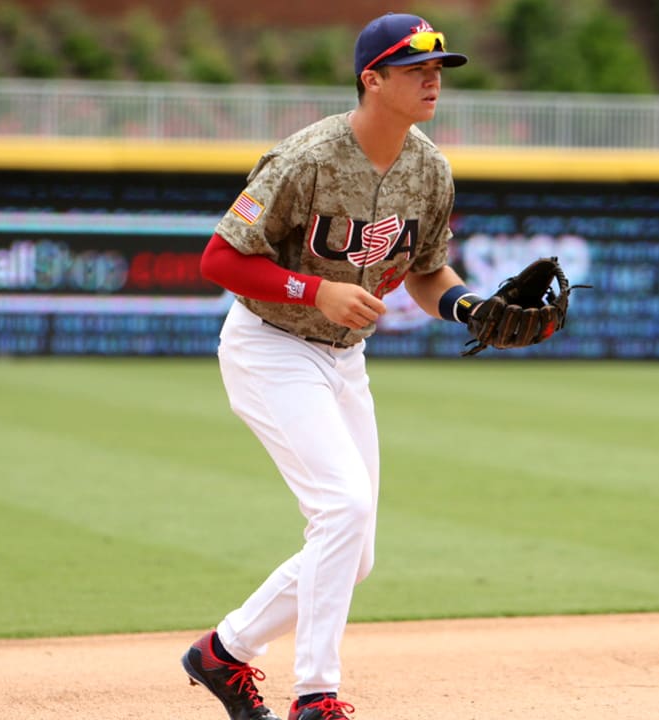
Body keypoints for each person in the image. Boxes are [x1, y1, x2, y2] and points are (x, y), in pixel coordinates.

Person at [181, 12, 476, 720]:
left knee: (355, 551)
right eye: (415, 69)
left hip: (344, 361)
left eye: (438, 68)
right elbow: (219, 257)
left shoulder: (429, 168)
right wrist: (315, 289)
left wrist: (470, 308)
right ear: (371, 78)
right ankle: (316, 696)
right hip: (270, 346)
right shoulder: (306, 158)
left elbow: (428, 273)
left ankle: (223, 652)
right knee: (341, 509)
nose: (433, 79)